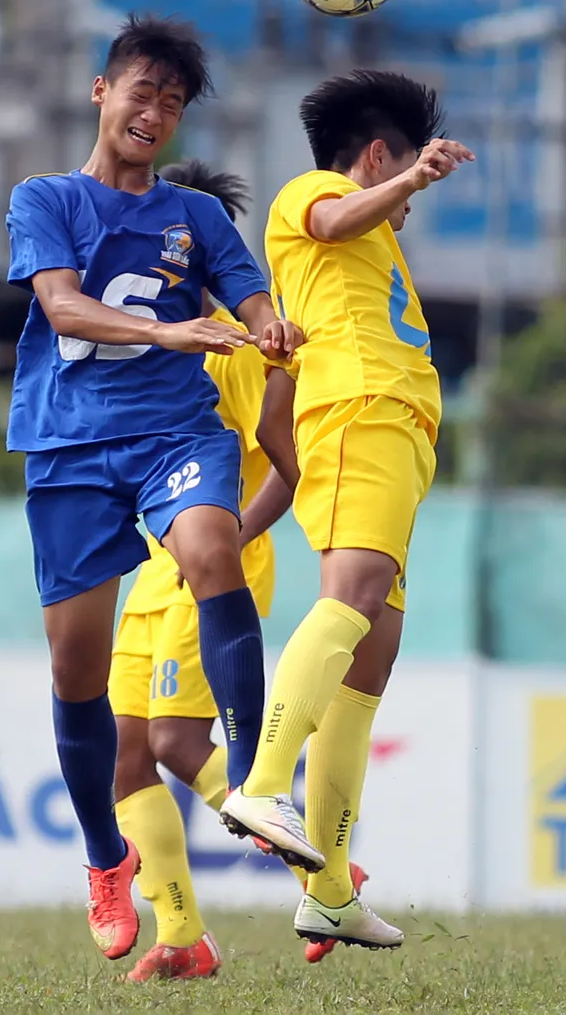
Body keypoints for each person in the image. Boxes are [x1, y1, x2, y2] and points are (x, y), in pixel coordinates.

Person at [5, 15, 302, 962]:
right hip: (69, 445)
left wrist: (268, 323)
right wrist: (172, 331)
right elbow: (61, 306)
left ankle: (255, 778)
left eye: (173, 102)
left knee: (214, 546)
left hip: (175, 432)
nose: (156, 111)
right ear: (102, 92)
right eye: (143, 91)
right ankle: (106, 855)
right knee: (75, 671)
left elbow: (249, 293)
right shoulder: (44, 197)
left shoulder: (198, 216)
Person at [220, 70, 474, 950]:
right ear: (373, 156)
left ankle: (329, 888)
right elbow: (334, 218)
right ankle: (261, 784)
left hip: (394, 433)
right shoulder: (313, 192)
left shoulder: (371, 246)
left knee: (371, 660)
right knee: (354, 601)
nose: (408, 203)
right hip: (361, 415)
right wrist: (411, 181)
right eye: (400, 174)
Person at [109, 159, 288, 982]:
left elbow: (286, 466)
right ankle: (183, 935)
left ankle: (320, 871)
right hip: (153, 575)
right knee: (124, 753)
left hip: (212, 573)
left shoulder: (236, 349)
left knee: (178, 741)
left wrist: (230, 537)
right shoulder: (150, 345)